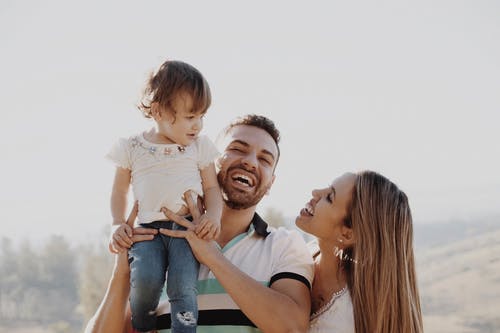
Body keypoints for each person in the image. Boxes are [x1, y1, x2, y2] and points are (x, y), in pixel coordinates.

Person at [86, 114, 314, 333]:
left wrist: (212, 258)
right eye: (237, 149)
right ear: (205, 161)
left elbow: (293, 327)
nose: (250, 162)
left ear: (271, 183)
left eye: (265, 160)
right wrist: (122, 271)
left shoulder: (285, 245)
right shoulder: (157, 241)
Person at [106, 60, 223, 332]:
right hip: (146, 231)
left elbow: (212, 188)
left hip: (185, 229)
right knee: (145, 279)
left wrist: (213, 216)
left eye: (202, 116)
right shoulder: (132, 147)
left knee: (183, 285)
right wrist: (116, 222)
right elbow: (119, 190)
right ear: (158, 111)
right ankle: (143, 325)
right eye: (190, 117)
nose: (199, 125)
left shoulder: (200, 147)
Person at [295, 171, 423, 333]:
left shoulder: (350, 319)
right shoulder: (295, 254)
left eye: (329, 197)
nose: (315, 192)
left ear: (347, 233)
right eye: (328, 188)